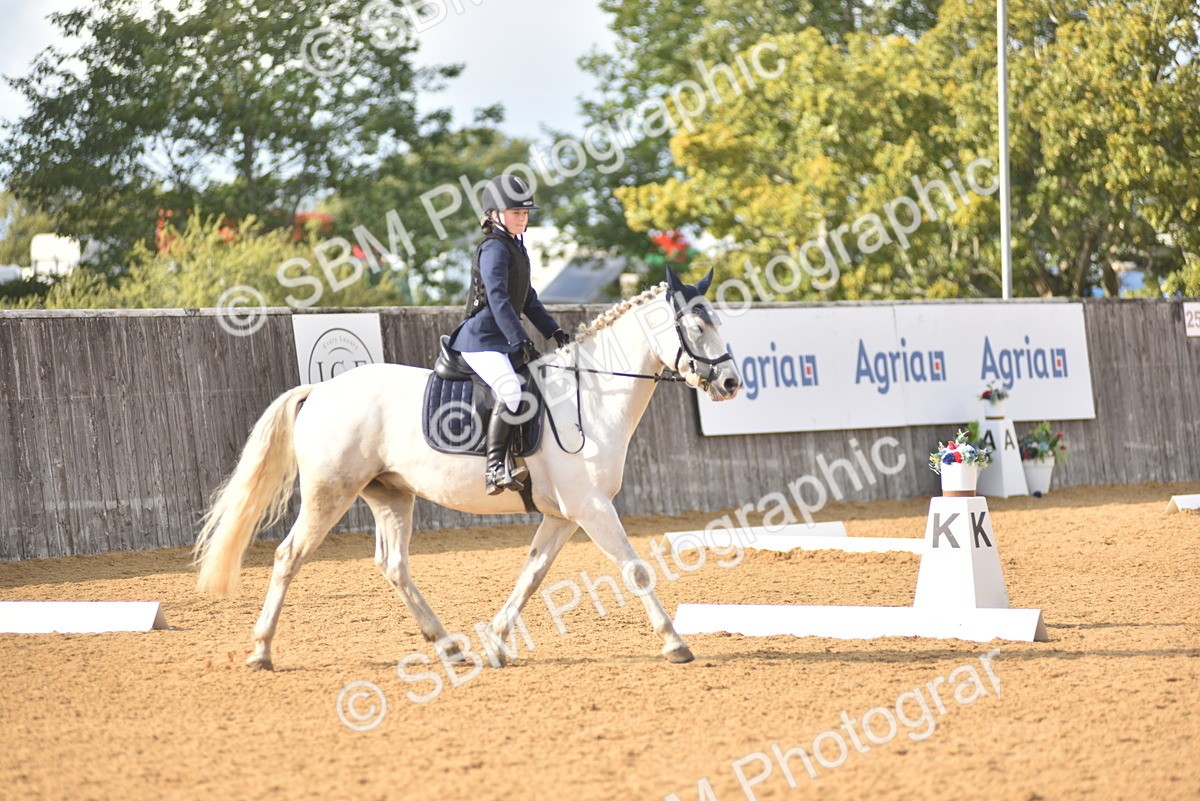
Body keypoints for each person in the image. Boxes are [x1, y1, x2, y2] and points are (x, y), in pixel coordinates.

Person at [448, 174, 572, 495]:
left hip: (499, 338)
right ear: (495, 214)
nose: (523, 218)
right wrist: (520, 340)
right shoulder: (493, 249)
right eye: (516, 212)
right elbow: (499, 298)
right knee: (512, 390)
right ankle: (492, 470)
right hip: (480, 338)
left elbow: (527, 298)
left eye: (526, 213)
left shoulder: (515, 248)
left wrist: (554, 330)